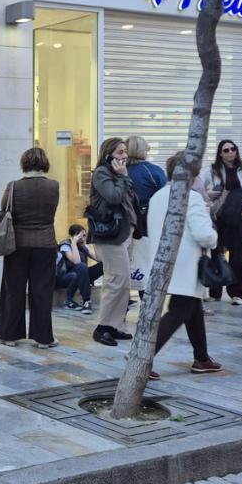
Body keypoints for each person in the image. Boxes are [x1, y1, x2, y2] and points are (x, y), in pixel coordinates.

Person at [146, 152, 224, 378]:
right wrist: (214, 236)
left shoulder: (158, 196)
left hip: (165, 265)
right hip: (187, 266)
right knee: (180, 310)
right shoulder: (191, 197)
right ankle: (142, 358)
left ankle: (202, 358)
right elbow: (204, 235)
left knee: (192, 309)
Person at [0, 147, 59, 348]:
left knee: (13, 288)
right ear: (45, 163)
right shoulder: (54, 186)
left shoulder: (13, 186)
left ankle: (9, 335)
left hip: (17, 244)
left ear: (24, 163)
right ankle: (43, 338)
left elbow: (4, 208)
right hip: (46, 244)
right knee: (42, 291)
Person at [89, 137, 138, 347]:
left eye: (125, 152)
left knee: (124, 281)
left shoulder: (118, 174)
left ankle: (114, 325)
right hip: (109, 236)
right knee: (115, 280)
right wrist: (122, 177)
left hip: (123, 234)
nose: (124, 156)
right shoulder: (101, 173)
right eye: (119, 152)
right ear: (108, 154)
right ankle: (102, 328)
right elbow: (113, 197)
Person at [200, 139, 242, 305]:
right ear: (220, 153)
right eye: (226, 150)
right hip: (219, 215)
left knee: (239, 255)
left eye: (233, 149)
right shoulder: (211, 170)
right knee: (216, 253)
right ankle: (215, 291)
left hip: (239, 216)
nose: (230, 153)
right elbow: (199, 188)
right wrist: (207, 193)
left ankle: (237, 293)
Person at [125, 135, 166, 303]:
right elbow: (164, 195)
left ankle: (122, 308)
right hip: (147, 224)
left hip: (123, 225)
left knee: (123, 267)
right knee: (146, 264)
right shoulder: (153, 171)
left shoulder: (119, 171)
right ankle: (147, 305)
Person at [56, 224, 102, 314]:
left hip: (82, 275)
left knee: (104, 265)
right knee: (81, 266)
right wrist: (73, 243)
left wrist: (95, 244)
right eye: (80, 236)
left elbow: (97, 258)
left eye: (84, 236)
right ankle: (86, 301)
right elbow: (76, 261)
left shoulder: (83, 246)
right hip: (69, 276)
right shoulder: (65, 245)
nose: (83, 238)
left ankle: (122, 298)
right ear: (72, 236)